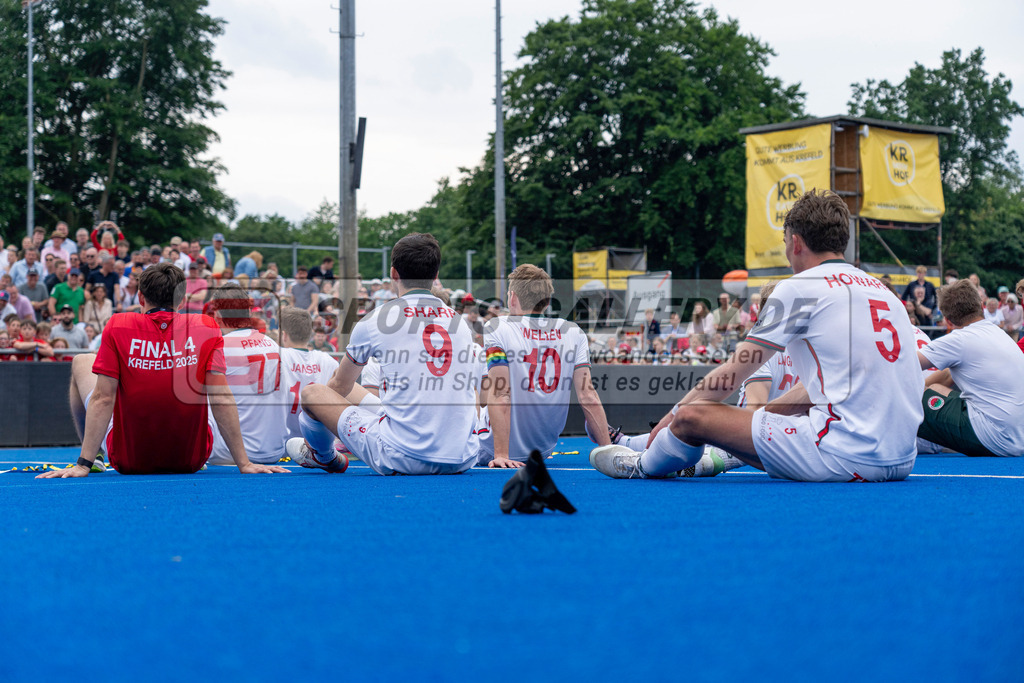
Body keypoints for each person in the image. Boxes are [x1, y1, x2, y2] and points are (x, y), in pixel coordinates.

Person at [591, 189, 924, 482]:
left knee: (693, 416)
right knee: (748, 422)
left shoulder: (799, 288)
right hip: (901, 458)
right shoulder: (885, 293)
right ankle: (698, 456)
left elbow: (728, 378)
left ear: (795, 242)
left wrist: (669, 420)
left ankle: (644, 464)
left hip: (845, 455)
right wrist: (757, 420)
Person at [37, 263, 287, 478]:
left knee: (81, 361)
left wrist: (82, 465)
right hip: (192, 460)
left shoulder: (118, 325)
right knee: (203, 384)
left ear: (140, 297)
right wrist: (244, 463)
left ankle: (95, 458)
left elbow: (104, 398)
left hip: (129, 460)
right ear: (181, 299)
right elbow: (220, 397)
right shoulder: (206, 326)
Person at [288, 232, 480, 475]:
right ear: (436, 276)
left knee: (314, 393)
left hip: (403, 456)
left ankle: (321, 454)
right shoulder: (460, 323)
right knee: (359, 391)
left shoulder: (378, 319)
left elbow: (337, 388)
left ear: (393, 274)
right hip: (461, 455)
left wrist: (317, 427)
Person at [476, 264, 612, 468]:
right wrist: (608, 451)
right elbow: (588, 395)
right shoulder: (573, 331)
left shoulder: (497, 326)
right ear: (547, 302)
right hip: (542, 448)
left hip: (488, 447)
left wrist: (501, 454)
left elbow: (501, 392)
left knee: (475, 387)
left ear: (512, 298)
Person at [916, 280, 1024, 457]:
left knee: (903, 396)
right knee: (935, 389)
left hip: (994, 437)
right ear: (981, 306)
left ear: (948, 320)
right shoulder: (998, 333)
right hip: (1018, 436)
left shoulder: (959, 339)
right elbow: (945, 378)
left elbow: (900, 365)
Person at [204, 286, 293, 466]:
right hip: (274, 450)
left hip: (229, 452)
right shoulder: (272, 344)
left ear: (218, 315)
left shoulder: (217, 347)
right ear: (249, 313)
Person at [277, 306, 339, 440]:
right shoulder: (328, 361)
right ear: (310, 333)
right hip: (318, 442)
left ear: (284, 335)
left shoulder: (278, 357)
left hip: (283, 444)